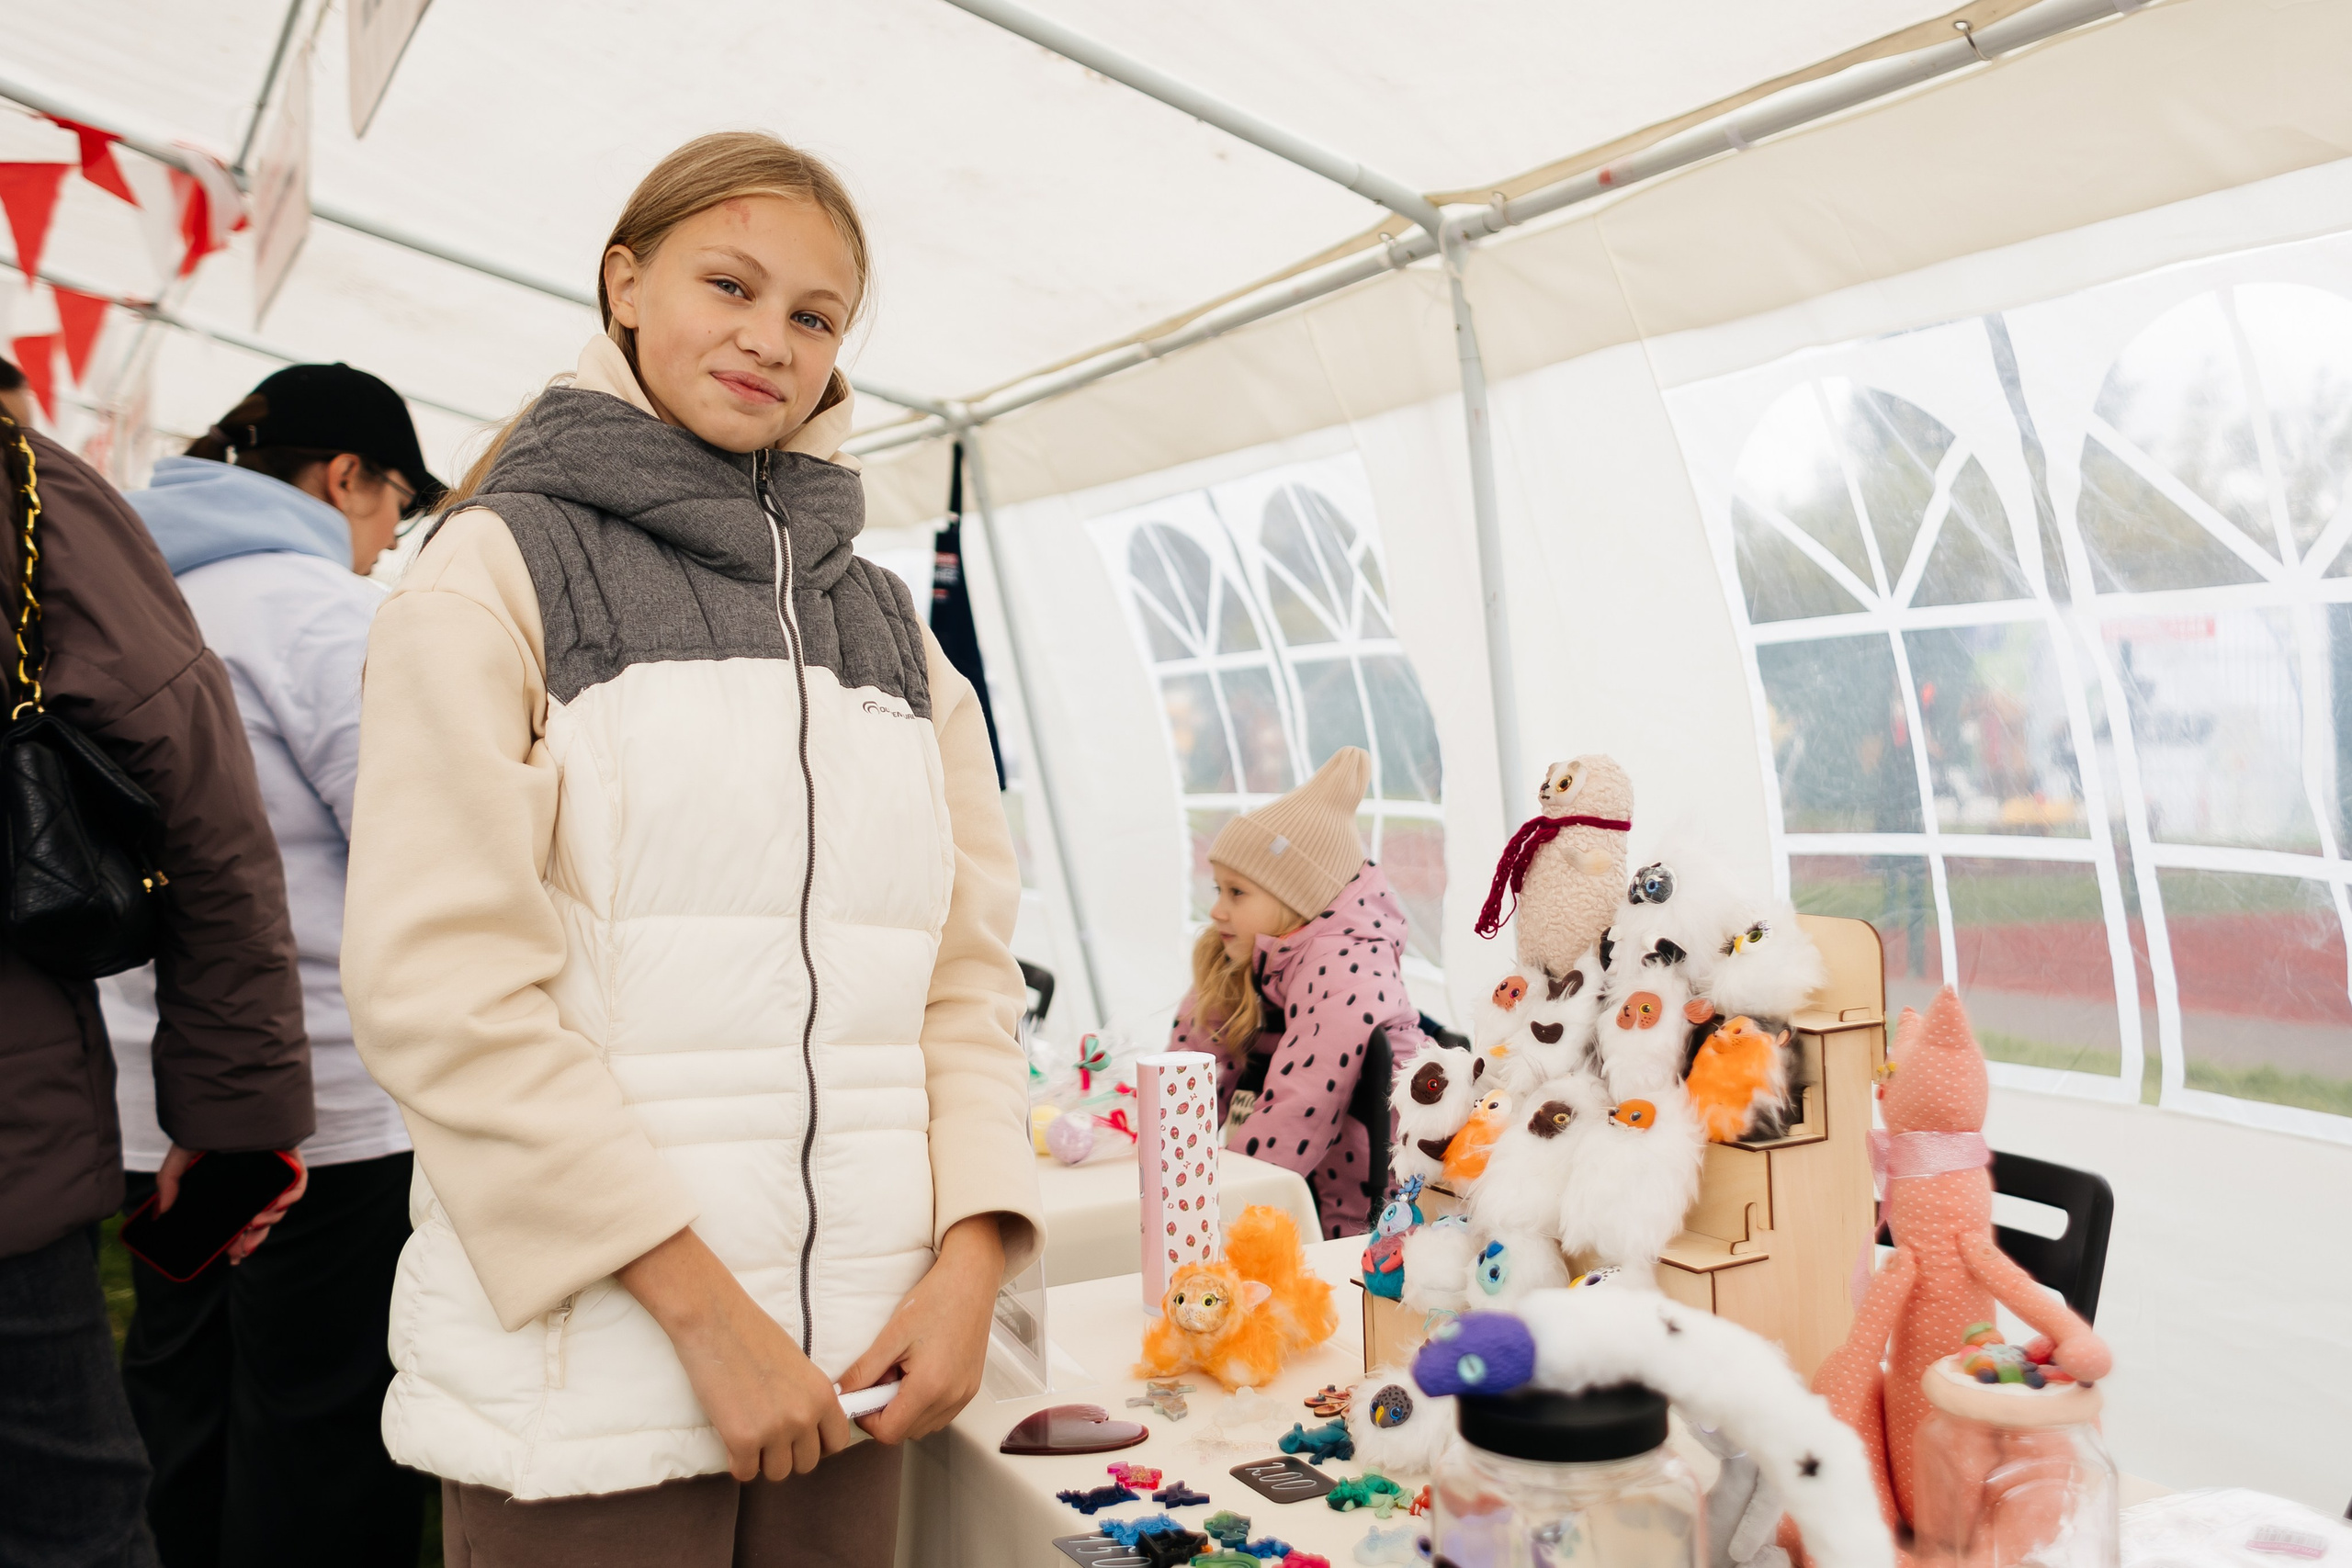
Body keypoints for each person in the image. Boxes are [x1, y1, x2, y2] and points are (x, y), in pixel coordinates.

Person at [340, 132, 1042, 1567]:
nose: (767, 338)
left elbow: (963, 979)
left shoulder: (893, 628)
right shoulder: (491, 571)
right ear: (625, 283)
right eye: (729, 283)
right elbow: (444, 992)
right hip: (596, 1373)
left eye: (813, 315)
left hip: (862, 1366)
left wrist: (974, 1256)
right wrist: (710, 1321)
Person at [97, 363, 442, 1567]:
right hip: (327, 1115)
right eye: (399, 502)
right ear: (346, 476)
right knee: (326, 1434)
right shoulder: (322, 612)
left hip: (154, 1107)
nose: (394, 537)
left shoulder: (125, 598)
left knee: (181, 1411)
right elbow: (425, 859)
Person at [0, 396, 313, 1568]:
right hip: (11, 1157)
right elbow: (208, 822)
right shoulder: (27, 489)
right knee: (62, 1531)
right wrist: (238, 1122)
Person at [1169, 747, 1430, 1238]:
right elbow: (1186, 1074)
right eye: (1217, 891)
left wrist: (1212, 1212)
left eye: (1237, 893)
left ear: (1298, 898)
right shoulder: (1247, 955)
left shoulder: (1348, 966)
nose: (1218, 911)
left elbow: (1301, 1108)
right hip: (1307, 1195)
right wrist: (1164, 1167)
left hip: (1381, 1219)